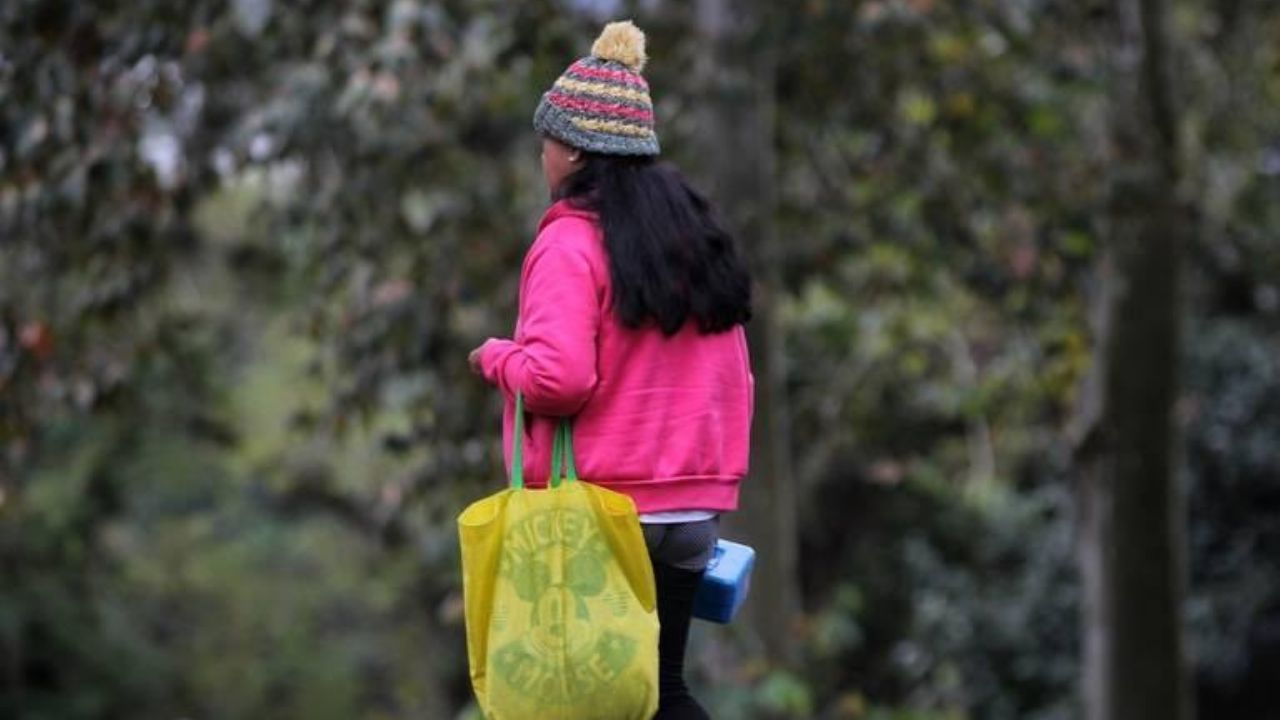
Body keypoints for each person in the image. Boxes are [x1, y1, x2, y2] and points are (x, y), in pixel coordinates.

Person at [469, 19, 753, 720]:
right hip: (691, 511)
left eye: (546, 141)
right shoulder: (694, 241)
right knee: (663, 693)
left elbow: (561, 381)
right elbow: (736, 378)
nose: (543, 155)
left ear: (571, 150)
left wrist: (497, 357)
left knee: (578, 703)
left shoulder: (569, 242)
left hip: (601, 513)